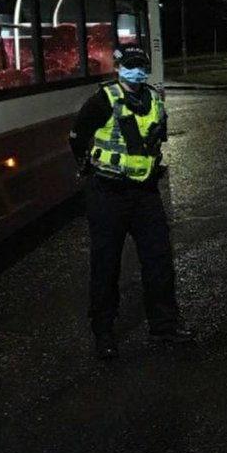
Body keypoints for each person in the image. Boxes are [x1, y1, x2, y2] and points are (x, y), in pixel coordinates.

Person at [69, 44, 195, 359]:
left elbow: (156, 141)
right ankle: (104, 334)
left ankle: (164, 327)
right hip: (107, 193)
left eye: (141, 66)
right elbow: (77, 137)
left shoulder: (154, 99)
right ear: (118, 67)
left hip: (145, 194)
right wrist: (88, 168)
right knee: (106, 264)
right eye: (130, 65)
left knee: (159, 260)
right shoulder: (102, 100)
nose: (136, 71)